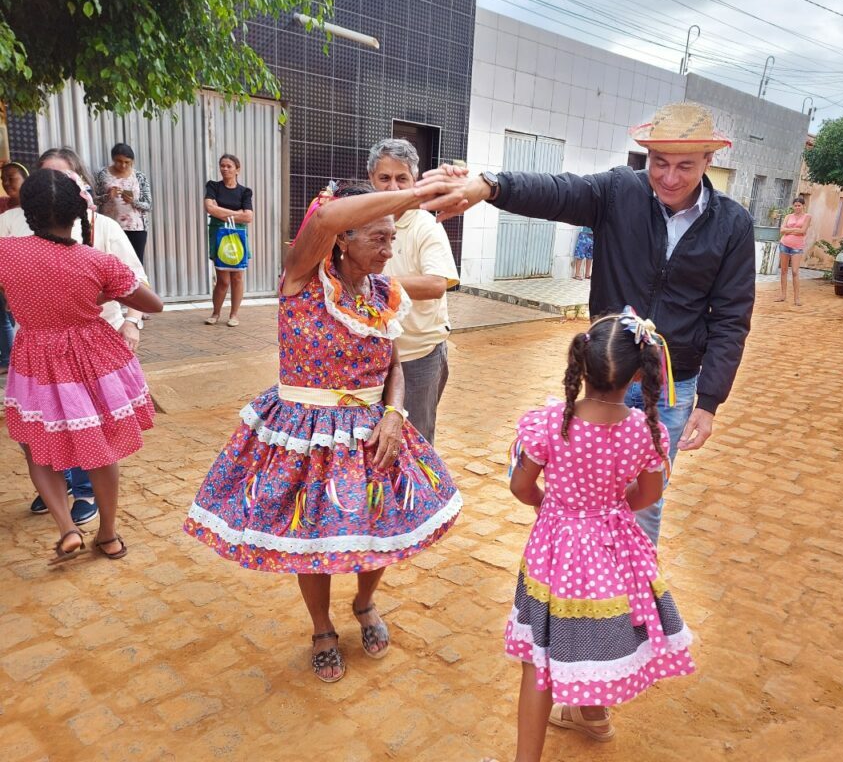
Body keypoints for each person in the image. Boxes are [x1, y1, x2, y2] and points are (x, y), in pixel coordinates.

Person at [419, 101, 755, 546]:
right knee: (584, 494)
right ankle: (583, 592)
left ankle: (633, 604)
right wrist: (491, 185)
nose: (669, 178)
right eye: (659, 163)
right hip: (606, 378)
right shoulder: (619, 191)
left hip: (672, 389)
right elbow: (558, 191)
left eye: (684, 166)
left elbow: (732, 317)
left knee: (645, 506)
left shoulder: (732, 224)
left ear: (709, 161)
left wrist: (710, 401)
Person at [182, 182, 461, 683]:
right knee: (309, 535)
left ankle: (365, 601)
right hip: (305, 435)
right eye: (378, 239)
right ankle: (321, 629)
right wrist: (416, 190)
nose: (389, 250)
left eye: (392, 238)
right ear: (342, 239)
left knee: (382, 525)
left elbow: (392, 364)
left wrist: (395, 414)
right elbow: (322, 221)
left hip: (372, 430)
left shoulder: (381, 292)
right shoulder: (302, 280)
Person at [490, 311, 695, 762]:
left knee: (541, 655)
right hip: (614, 546)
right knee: (596, 629)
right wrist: (605, 504)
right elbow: (648, 495)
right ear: (639, 374)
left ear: (578, 365)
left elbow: (521, 487)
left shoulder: (547, 424)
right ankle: (594, 716)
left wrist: (556, 506)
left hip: (556, 551)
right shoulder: (648, 431)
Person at [0, 169, 163, 562]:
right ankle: (108, 535)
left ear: (27, 210)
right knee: (100, 447)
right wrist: (104, 289)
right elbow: (153, 304)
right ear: (78, 211)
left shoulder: (5, 252)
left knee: (38, 448)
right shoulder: (96, 261)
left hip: (33, 356)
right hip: (90, 360)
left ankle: (67, 528)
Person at [367, 138, 460, 445]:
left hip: (417, 357)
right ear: (371, 179)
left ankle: (419, 495)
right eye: (384, 178)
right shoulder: (358, 222)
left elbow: (437, 284)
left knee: (414, 442)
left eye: (401, 178)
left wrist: (374, 285)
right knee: (370, 439)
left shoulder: (426, 226)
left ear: (414, 181)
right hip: (369, 356)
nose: (392, 187)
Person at [204, 153, 253, 327]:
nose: (225, 169)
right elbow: (209, 208)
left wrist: (221, 212)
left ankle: (234, 314)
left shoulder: (245, 192)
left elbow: (248, 217)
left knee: (237, 277)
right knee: (223, 279)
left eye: (229, 166)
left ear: (237, 169)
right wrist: (236, 214)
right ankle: (216, 313)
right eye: (222, 165)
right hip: (219, 235)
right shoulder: (213, 186)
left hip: (238, 237)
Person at [95, 143, 153, 263]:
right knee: (112, 264)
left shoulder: (139, 176)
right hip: (109, 227)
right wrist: (107, 197)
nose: (123, 165)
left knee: (136, 264)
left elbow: (148, 205)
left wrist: (133, 202)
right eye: (119, 161)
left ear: (132, 161)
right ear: (113, 159)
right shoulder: (102, 175)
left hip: (136, 229)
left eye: (127, 162)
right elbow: (93, 201)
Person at [0, 162, 28, 376]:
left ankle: (12, 360)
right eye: (3, 179)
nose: (7, 182)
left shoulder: (36, 209)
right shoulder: (3, 208)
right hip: (9, 277)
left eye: (12, 178)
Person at [775, 196, 810, 306]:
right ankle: (783, 295)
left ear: (803, 206)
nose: (797, 207)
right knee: (784, 271)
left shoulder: (807, 217)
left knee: (795, 271)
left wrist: (789, 231)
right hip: (784, 244)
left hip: (797, 246)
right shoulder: (788, 216)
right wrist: (795, 230)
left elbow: (803, 231)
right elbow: (782, 230)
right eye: (795, 205)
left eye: (799, 205)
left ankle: (796, 298)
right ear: (793, 206)